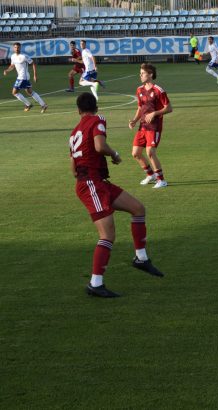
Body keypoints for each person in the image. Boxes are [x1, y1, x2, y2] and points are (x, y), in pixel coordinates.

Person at [69, 92, 164, 298]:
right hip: (92, 184)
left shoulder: (74, 131)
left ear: (78, 111)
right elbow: (99, 146)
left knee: (138, 209)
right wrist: (114, 155)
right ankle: (95, 283)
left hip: (95, 182)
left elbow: (73, 168)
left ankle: (141, 258)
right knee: (107, 236)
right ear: (95, 106)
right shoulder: (98, 119)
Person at [129, 63, 173, 189]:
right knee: (135, 153)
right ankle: (151, 175)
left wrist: (154, 113)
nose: (140, 75)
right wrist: (134, 120)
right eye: (140, 73)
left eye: (143, 73)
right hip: (143, 126)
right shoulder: (139, 90)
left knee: (150, 152)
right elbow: (140, 108)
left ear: (150, 75)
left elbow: (169, 108)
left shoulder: (158, 90)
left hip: (154, 127)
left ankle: (162, 180)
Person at [3, 42, 47, 113]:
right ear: (13, 48)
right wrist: (7, 70)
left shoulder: (24, 56)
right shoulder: (13, 56)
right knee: (30, 92)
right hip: (22, 77)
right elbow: (12, 66)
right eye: (15, 47)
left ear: (20, 48)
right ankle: (43, 105)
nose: (17, 49)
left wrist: (35, 75)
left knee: (14, 92)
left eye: (18, 47)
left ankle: (28, 104)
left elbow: (33, 64)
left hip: (22, 77)